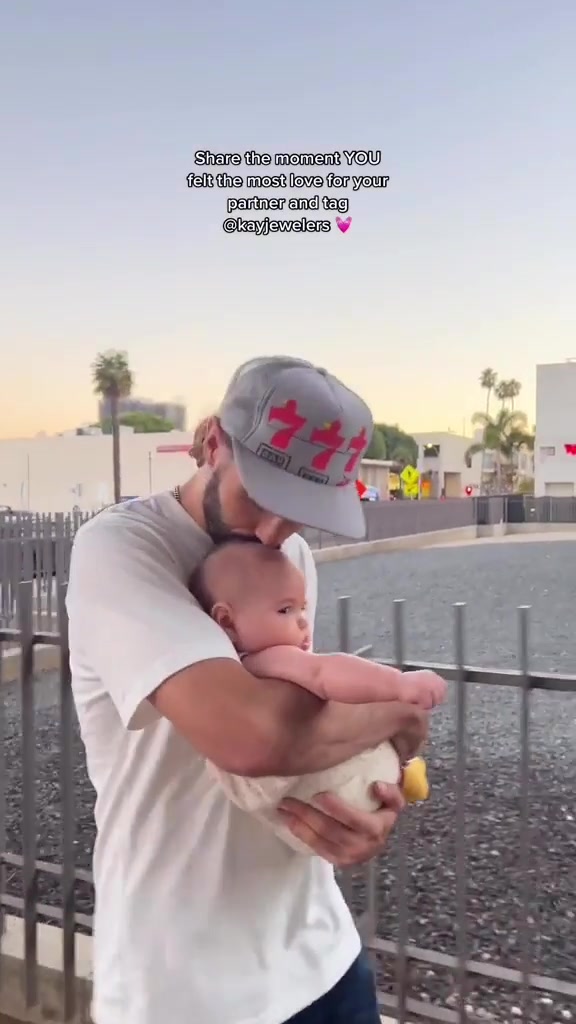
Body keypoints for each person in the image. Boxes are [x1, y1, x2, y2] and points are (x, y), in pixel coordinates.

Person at [66, 355, 437, 1024]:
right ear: (214, 442)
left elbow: (307, 713)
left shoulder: (289, 556)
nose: (273, 533)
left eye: (299, 514)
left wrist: (371, 808)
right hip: (184, 990)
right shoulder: (122, 550)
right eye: (260, 498)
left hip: (323, 956)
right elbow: (253, 735)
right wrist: (397, 713)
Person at [191, 538, 446, 854]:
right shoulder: (269, 658)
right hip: (332, 795)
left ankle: (404, 772)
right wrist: (399, 684)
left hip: (295, 818)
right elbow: (325, 673)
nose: (302, 620)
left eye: (303, 608)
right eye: (285, 609)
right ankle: (405, 771)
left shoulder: (223, 675)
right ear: (227, 621)